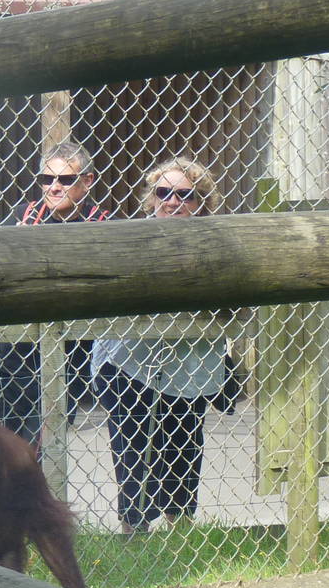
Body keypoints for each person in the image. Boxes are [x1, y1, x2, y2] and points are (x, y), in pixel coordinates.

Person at [93, 157, 228, 534]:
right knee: (132, 449)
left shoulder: (216, 240)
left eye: (185, 195)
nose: (172, 202)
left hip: (191, 365)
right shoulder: (132, 238)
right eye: (163, 192)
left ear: (202, 202)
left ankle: (181, 531)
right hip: (129, 361)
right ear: (151, 198)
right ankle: (134, 531)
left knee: (184, 447)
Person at [0, 141, 110, 445]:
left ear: (87, 181)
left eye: (65, 179)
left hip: (70, 349)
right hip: (17, 351)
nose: (54, 187)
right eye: (47, 179)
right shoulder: (23, 217)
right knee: (9, 440)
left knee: (48, 439)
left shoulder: (102, 225)